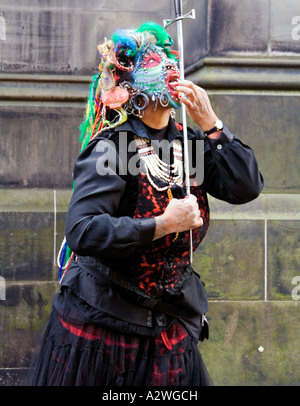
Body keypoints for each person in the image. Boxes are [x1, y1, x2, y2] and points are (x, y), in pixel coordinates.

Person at [27, 22, 263, 386]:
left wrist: (211, 124)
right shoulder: (112, 147)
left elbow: (246, 188)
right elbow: (82, 230)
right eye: (152, 61)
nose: (167, 65)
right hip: (103, 325)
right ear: (129, 85)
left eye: (168, 58)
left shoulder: (192, 143)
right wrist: (161, 225)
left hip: (169, 324)